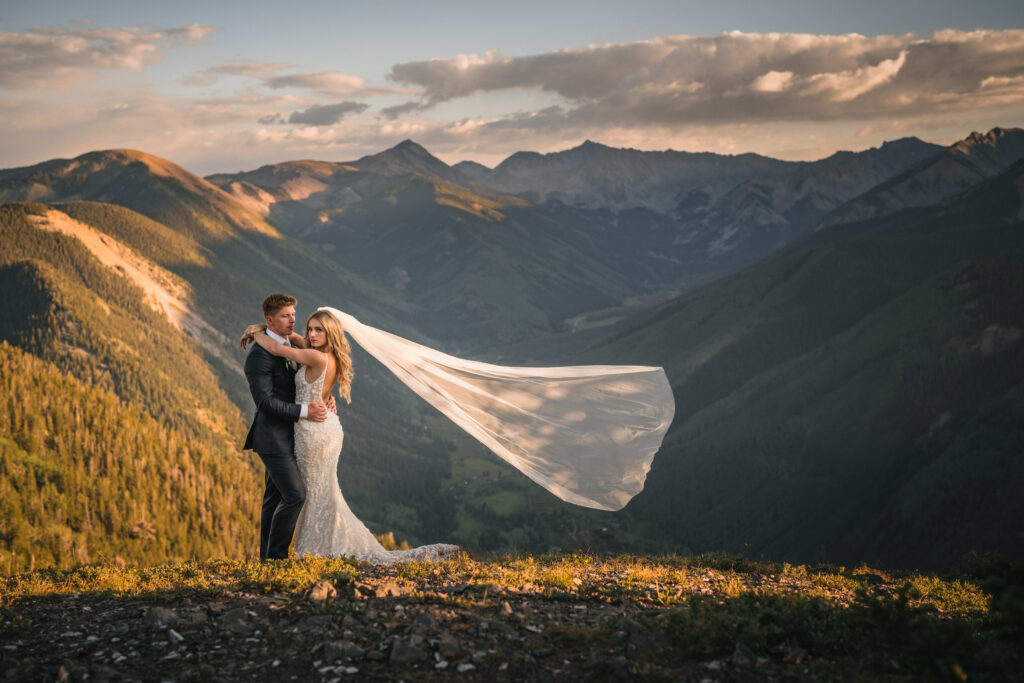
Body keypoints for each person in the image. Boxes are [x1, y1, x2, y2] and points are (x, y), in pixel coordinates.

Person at [242, 308, 459, 564]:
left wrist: (256, 331)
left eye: (318, 329)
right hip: (323, 426)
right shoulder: (323, 354)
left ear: (330, 333)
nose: (311, 333)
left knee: (309, 493)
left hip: (314, 431)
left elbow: (279, 349)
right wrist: (323, 396)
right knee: (321, 492)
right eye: (310, 328)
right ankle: (317, 547)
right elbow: (294, 343)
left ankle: (305, 552)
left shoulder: (316, 356)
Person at [242, 293, 330, 561]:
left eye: (293, 314)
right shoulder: (259, 357)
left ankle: (266, 561)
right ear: (270, 319)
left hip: (289, 434)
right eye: (285, 315)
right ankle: (277, 559)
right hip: (271, 438)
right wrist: (307, 412)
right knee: (295, 495)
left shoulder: (289, 344)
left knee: (273, 499)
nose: (293, 319)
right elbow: (265, 403)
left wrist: (324, 397)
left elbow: (301, 382)